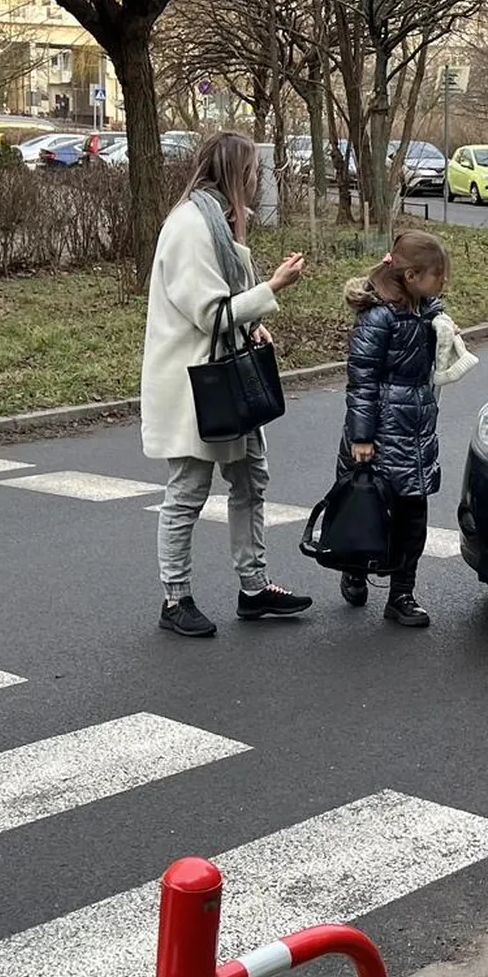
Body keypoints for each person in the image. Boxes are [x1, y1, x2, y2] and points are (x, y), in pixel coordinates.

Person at [141, 132, 310, 638]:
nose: (257, 182)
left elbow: (221, 309)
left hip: (221, 376)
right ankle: (175, 599)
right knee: (188, 491)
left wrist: (250, 323)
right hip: (200, 384)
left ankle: (254, 588)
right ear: (235, 172)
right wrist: (271, 289)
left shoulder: (211, 220)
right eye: (252, 172)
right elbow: (210, 311)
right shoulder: (192, 226)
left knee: (250, 480)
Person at [338, 231, 449, 628]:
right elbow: (362, 379)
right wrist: (362, 436)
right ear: (412, 275)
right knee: (368, 509)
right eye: (439, 276)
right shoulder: (379, 317)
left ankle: (402, 593)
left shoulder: (426, 312)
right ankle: (354, 567)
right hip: (382, 433)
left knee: (413, 516)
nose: (444, 283)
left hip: (416, 432)